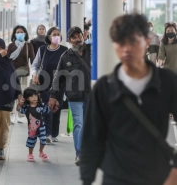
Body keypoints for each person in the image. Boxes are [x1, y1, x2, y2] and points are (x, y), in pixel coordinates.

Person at [80, 13, 177, 185]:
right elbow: (91, 138)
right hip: (116, 177)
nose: (126, 48)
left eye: (133, 41)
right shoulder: (105, 87)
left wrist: (175, 170)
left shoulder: (167, 82)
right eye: (120, 42)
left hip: (159, 177)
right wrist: (87, 180)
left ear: (146, 41)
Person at [48, 26, 91, 165]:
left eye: (79, 36)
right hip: (74, 96)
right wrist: (53, 96)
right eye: (74, 37)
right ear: (69, 40)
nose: (77, 39)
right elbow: (57, 78)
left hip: (91, 95)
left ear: (83, 37)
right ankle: (80, 154)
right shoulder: (65, 56)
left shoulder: (91, 52)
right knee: (78, 124)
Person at [31, 27, 68, 143]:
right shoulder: (43, 49)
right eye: (54, 34)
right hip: (44, 83)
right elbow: (35, 65)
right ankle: (46, 133)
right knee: (46, 108)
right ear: (49, 37)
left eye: (58, 34)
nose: (56, 36)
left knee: (56, 107)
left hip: (59, 84)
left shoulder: (65, 50)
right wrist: (34, 74)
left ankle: (54, 133)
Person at [7, 25, 35, 124]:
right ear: (15, 34)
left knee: (22, 94)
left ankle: (19, 113)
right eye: (18, 32)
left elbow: (33, 60)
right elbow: (7, 59)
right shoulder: (11, 46)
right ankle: (13, 113)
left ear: (25, 34)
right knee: (13, 93)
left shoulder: (28, 45)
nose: (20, 34)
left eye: (22, 32)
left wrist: (35, 73)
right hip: (12, 73)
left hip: (24, 73)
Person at [17, 88, 49, 162]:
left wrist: (51, 106)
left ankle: (41, 152)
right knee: (31, 141)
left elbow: (47, 111)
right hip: (32, 129)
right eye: (31, 96)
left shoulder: (41, 105)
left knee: (43, 140)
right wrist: (20, 104)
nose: (34, 97)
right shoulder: (26, 107)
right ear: (27, 98)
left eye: (35, 95)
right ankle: (30, 154)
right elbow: (18, 110)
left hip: (41, 127)